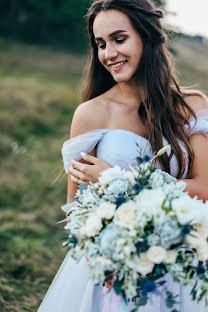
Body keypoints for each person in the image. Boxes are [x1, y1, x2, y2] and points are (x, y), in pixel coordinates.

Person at [38, 0, 208, 311]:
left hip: (183, 260)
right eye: (100, 44)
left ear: (147, 35)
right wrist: (111, 256)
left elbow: (204, 190)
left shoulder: (193, 106)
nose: (108, 54)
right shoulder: (91, 114)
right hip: (116, 268)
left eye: (119, 39)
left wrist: (119, 180)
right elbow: (76, 213)